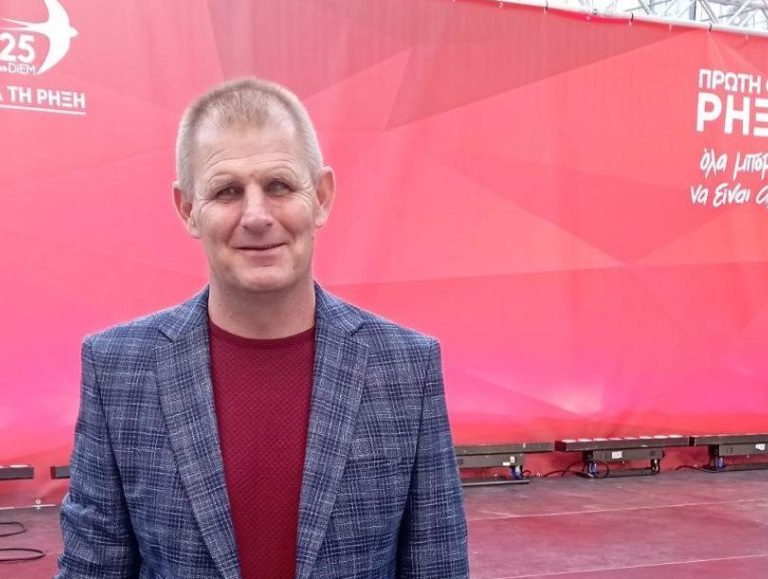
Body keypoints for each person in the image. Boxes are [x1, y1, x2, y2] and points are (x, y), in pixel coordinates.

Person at [56, 77, 469, 578]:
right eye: (227, 191)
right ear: (188, 209)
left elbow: (437, 564)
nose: (256, 216)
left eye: (279, 186)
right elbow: (93, 567)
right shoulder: (118, 368)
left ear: (321, 196)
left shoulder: (406, 366)